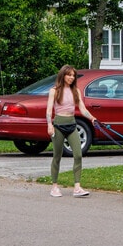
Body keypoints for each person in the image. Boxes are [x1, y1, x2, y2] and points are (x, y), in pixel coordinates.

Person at [46, 65, 97, 197]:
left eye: (73, 76)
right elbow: (48, 110)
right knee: (57, 156)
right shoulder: (55, 90)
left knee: (78, 155)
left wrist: (91, 118)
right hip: (58, 126)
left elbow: (82, 108)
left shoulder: (76, 91)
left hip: (71, 125)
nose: (71, 78)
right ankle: (55, 187)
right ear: (63, 75)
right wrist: (49, 125)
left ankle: (77, 187)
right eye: (69, 75)